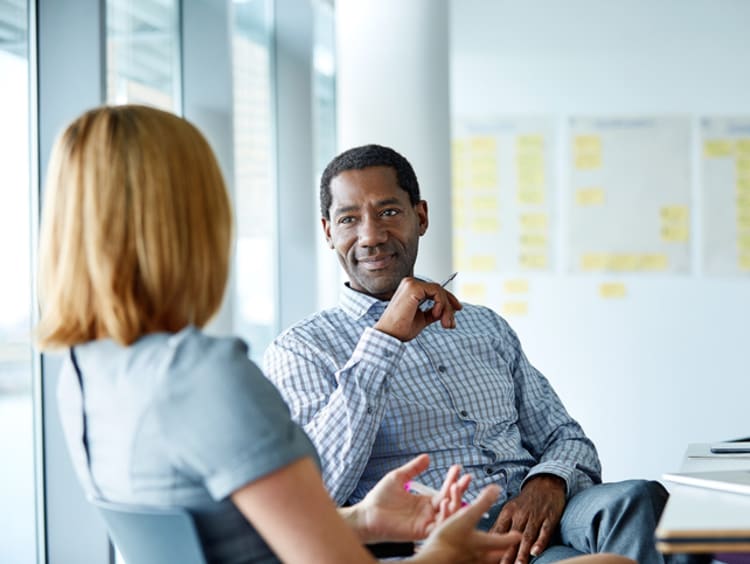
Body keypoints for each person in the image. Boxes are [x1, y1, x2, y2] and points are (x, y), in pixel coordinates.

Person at [36, 105, 526, 564]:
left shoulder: (85, 373)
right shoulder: (205, 376)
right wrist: (444, 554)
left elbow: (224, 538)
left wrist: (361, 519)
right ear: (192, 222)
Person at [264, 143, 671, 564]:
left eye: (388, 212)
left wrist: (548, 482)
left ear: (420, 217)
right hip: (445, 541)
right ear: (329, 232)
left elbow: (564, 436)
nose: (371, 235)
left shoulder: (484, 325)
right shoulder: (302, 349)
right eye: (349, 219)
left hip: (543, 512)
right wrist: (383, 341)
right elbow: (318, 490)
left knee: (637, 500)